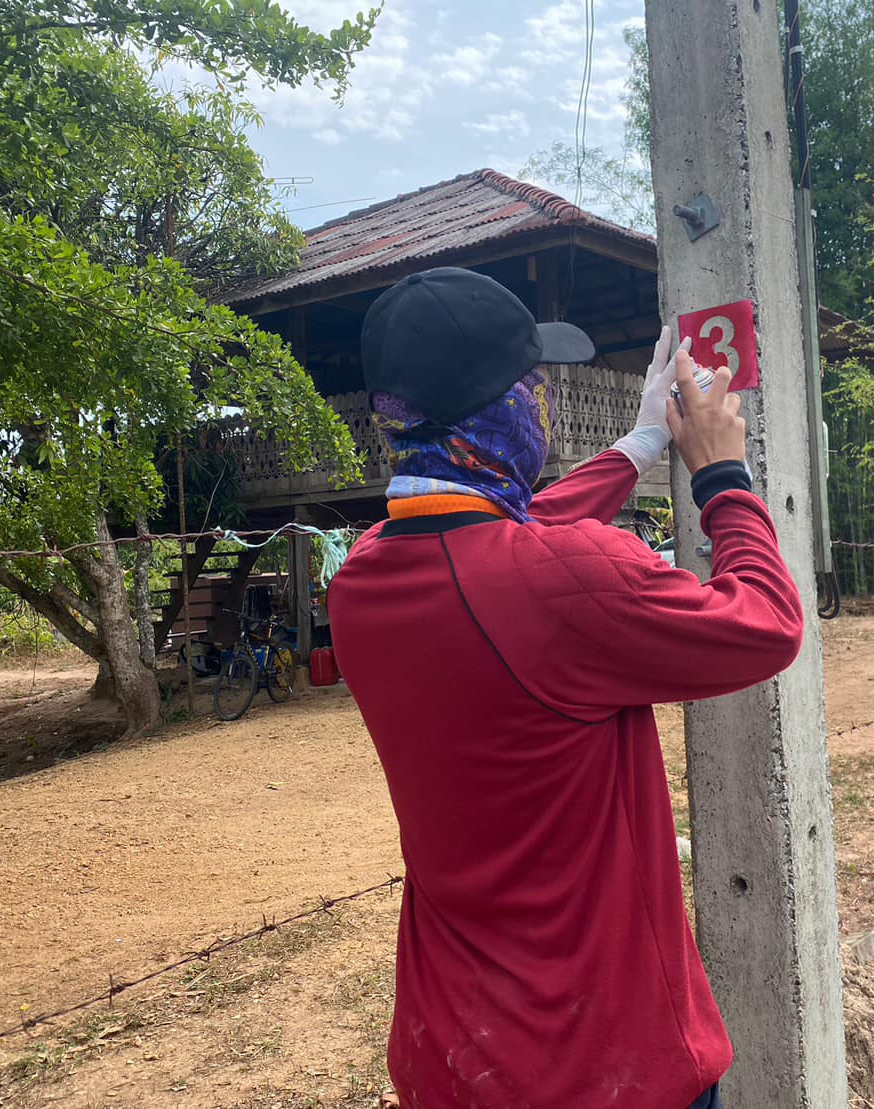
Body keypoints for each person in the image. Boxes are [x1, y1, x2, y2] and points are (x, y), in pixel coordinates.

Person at [329, 267, 804, 1109]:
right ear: (507, 410)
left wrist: (639, 445)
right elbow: (766, 623)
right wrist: (719, 474)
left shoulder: (363, 577)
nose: (544, 403)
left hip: (454, 1062)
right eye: (534, 385)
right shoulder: (566, 582)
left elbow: (507, 537)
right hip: (604, 1063)